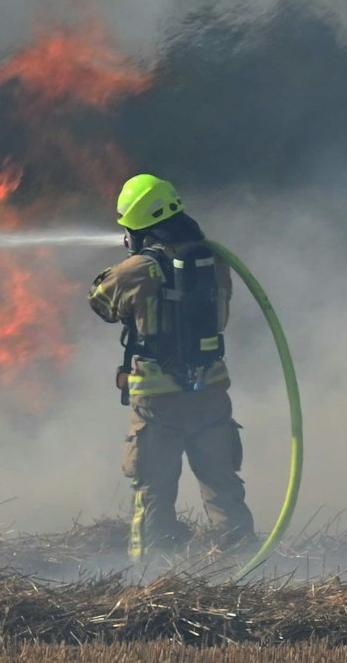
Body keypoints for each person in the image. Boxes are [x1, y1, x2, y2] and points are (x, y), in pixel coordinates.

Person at [89, 174, 254, 561]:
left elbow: (100, 303)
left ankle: (151, 578)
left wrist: (130, 258)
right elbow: (222, 316)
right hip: (211, 394)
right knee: (224, 489)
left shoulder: (138, 270)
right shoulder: (214, 261)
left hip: (157, 403)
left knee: (153, 494)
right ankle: (245, 570)